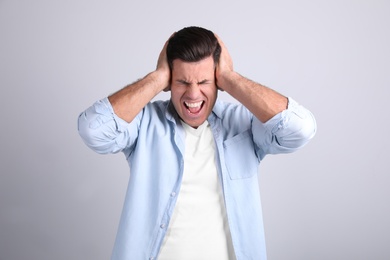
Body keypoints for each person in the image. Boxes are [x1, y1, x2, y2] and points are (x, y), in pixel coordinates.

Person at [78, 26, 316, 260]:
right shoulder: (144, 122)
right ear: (170, 82)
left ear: (217, 81)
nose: (193, 95)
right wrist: (157, 77)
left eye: (204, 82)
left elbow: (301, 129)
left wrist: (231, 78)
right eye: (182, 82)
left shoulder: (242, 124)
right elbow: (92, 130)